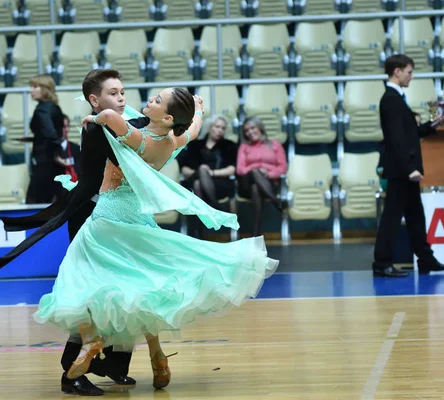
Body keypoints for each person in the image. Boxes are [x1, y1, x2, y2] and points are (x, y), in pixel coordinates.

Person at [32, 87, 278, 390]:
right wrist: (199, 109)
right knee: (147, 287)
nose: (150, 100)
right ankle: (157, 356)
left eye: (157, 100)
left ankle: (89, 339)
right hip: (141, 218)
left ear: (168, 116)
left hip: (109, 216)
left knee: (77, 277)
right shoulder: (170, 142)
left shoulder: (139, 138)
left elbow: (110, 116)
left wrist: (95, 118)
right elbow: (193, 129)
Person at [0, 69, 154, 396]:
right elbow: (141, 135)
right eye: (113, 93)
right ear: (94, 100)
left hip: (112, 214)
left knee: (125, 288)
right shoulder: (98, 127)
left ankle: (113, 365)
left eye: (122, 91)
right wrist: (166, 116)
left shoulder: (109, 121)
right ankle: (72, 373)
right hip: (91, 216)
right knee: (94, 296)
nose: (121, 98)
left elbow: (139, 131)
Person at [373, 54, 444, 277]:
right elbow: (396, 138)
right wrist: (410, 167)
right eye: (409, 72)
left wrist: (433, 124)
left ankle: (426, 259)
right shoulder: (390, 99)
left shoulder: (396, 98)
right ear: (397, 72)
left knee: (416, 217)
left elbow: (409, 134)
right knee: (392, 217)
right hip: (402, 171)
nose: (412, 76)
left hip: (403, 170)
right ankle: (382, 263)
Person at [236, 117, 287, 236]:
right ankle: (276, 201)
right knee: (254, 173)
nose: (250, 132)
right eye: (246, 131)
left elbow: (282, 167)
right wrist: (258, 168)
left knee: (256, 187)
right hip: (246, 184)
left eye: (252, 128)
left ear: (260, 128)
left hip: (269, 183)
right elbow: (240, 169)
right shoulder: (244, 147)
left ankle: (256, 233)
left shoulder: (275, 145)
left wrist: (269, 173)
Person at [179, 115, 237, 209]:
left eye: (223, 128)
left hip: (219, 182)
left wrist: (210, 173)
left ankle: (207, 217)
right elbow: (184, 169)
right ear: (210, 127)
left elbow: (231, 170)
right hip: (194, 179)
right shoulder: (195, 145)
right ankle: (216, 208)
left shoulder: (228, 146)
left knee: (198, 183)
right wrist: (201, 173)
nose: (220, 130)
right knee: (198, 180)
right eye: (217, 127)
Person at [25, 74, 65, 204]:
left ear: (45, 89)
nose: (31, 90)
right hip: (54, 162)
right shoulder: (54, 107)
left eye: (35, 87)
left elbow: (50, 134)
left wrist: (55, 153)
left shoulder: (42, 110)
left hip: (45, 162)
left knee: (34, 202)